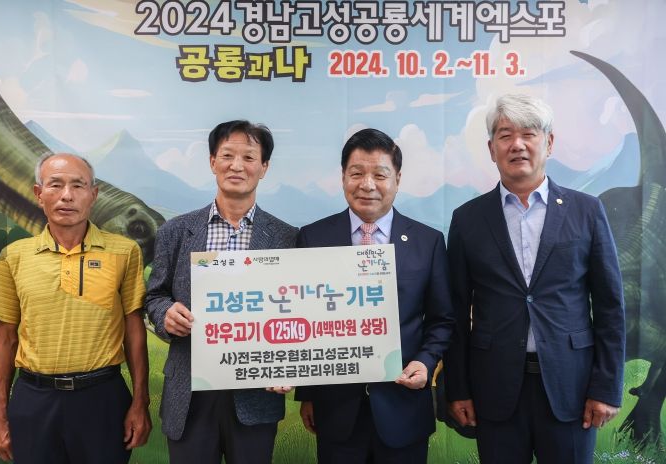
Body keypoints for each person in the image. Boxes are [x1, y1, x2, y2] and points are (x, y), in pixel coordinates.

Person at [442, 94, 626, 464]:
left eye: (529, 134)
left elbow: (610, 307)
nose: (517, 144)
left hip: (571, 387)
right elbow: (455, 314)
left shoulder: (586, 211)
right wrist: (457, 388)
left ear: (549, 142)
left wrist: (607, 387)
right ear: (491, 148)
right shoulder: (467, 219)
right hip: (494, 388)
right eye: (505, 135)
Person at [295, 128, 455, 463]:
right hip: (336, 410)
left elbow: (442, 320)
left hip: (403, 404)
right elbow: (304, 319)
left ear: (397, 178)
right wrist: (307, 394)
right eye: (356, 173)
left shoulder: (427, 242)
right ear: (343, 177)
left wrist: (425, 362)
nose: (367, 185)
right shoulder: (313, 238)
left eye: (380, 175)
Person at [145, 120, 297, 464]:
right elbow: (154, 296)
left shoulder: (287, 237)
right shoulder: (176, 231)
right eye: (227, 155)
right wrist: (165, 314)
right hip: (190, 392)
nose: (237, 166)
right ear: (213, 161)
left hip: (255, 392)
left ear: (264, 167)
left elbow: (297, 310)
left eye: (249, 157)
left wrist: (288, 364)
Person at [0, 153, 151, 463]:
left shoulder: (125, 251)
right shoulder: (14, 256)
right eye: (55, 185)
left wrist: (141, 402)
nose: (67, 195)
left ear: (94, 194)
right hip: (34, 400)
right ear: (39, 194)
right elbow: (4, 340)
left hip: (103, 399)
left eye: (78, 185)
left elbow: (134, 331)